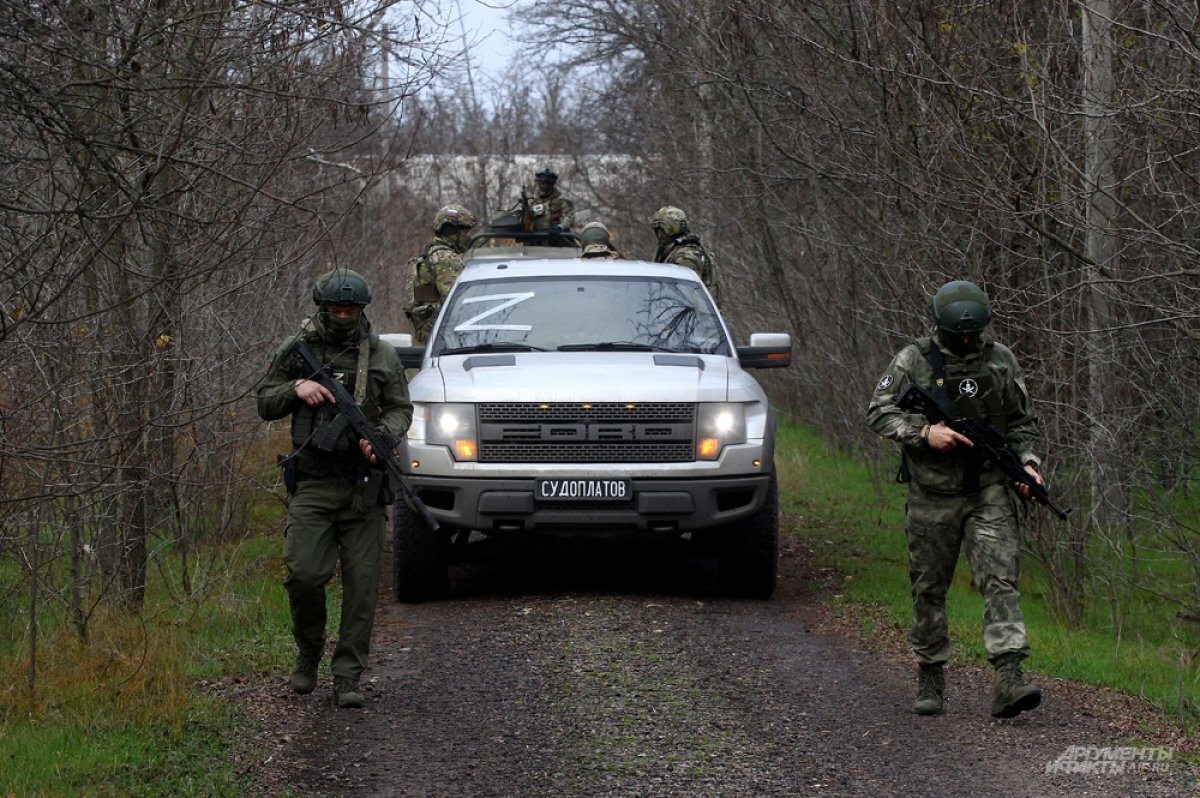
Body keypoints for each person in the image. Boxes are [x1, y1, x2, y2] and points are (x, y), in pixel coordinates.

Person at [867, 280, 1045, 719]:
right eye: (958, 333)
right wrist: (924, 432)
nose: (966, 340)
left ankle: (1009, 677)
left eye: (973, 332)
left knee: (1000, 578)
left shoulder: (1000, 360)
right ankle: (930, 672)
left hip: (987, 489)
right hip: (932, 493)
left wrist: (1027, 464)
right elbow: (879, 411)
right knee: (929, 587)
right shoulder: (913, 360)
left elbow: (1022, 423)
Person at [257, 268, 413, 709]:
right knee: (304, 575)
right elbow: (263, 401)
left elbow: (401, 409)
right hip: (312, 483)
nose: (343, 316)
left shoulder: (381, 356)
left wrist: (382, 435)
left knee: (363, 588)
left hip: (364, 489)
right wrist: (296, 387)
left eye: (350, 310)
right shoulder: (299, 350)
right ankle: (308, 653)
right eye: (336, 309)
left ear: (362, 310)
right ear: (322, 308)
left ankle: (347, 675)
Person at [404, 204, 477, 344]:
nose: (469, 237)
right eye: (466, 232)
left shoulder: (427, 255)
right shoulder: (446, 258)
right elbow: (456, 299)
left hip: (426, 332)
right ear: (451, 231)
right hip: (445, 334)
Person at [650, 205, 719, 303]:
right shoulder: (682, 251)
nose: (659, 235)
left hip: (692, 316)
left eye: (659, 230)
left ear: (667, 229)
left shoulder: (686, 257)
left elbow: (679, 296)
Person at [528, 168, 575, 233]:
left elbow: (570, 218)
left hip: (558, 237)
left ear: (553, 184)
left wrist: (560, 228)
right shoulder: (531, 202)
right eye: (542, 183)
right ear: (538, 183)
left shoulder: (562, 200)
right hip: (535, 238)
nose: (545, 186)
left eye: (549, 183)